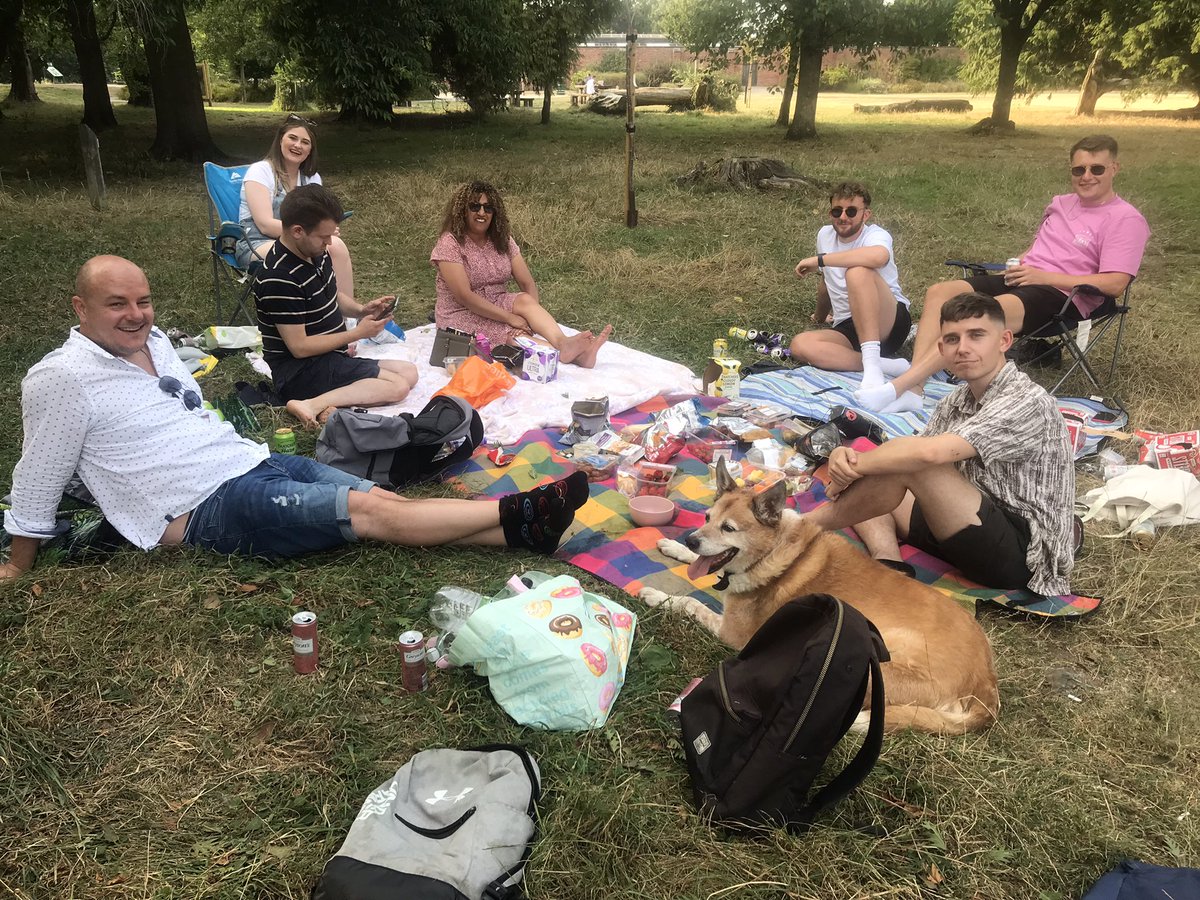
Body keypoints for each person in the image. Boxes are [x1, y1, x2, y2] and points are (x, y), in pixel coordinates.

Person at [0, 256, 590, 583]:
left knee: (383, 498)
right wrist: (16, 564)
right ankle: (522, 510)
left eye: (143, 301)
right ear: (80, 309)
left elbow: (184, 411)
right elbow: (37, 474)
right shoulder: (62, 379)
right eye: (117, 304)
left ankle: (523, 533)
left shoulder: (152, 342)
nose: (136, 315)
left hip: (248, 461)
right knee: (373, 513)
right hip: (203, 508)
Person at [806, 292, 1074, 597]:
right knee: (884, 460)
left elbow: (927, 455)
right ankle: (888, 559)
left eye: (976, 336)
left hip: (1022, 553)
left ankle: (799, 528)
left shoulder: (1027, 400)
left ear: (1004, 341)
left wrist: (853, 468)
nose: (963, 348)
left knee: (912, 463)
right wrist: (849, 457)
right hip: (963, 521)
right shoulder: (956, 399)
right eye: (952, 339)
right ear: (941, 348)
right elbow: (905, 453)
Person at [857, 134, 1150, 413]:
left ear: (1114, 168)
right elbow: (1042, 246)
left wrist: (1044, 277)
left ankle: (899, 387)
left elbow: (1115, 283)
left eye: (1096, 168)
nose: (1086, 176)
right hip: (1025, 277)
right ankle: (916, 391)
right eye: (1078, 169)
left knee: (981, 315)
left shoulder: (1125, 219)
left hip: (1063, 295)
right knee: (940, 292)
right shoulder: (1061, 203)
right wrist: (1021, 263)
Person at [254, 184, 418, 427]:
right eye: (323, 236)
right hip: (299, 372)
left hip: (328, 358)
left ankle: (327, 400)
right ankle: (310, 403)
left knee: (409, 372)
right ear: (298, 231)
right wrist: (356, 333)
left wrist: (362, 310)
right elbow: (299, 347)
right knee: (398, 387)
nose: (329, 242)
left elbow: (332, 295)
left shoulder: (314, 253)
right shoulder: (280, 277)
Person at [431, 180, 612, 368]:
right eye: (475, 206)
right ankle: (571, 356)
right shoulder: (449, 243)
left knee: (524, 300)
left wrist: (527, 322)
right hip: (460, 312)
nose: (482, 213)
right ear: (462, 210)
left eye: (488, 208)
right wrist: (510, 319)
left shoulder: (502, 240)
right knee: (507, 333)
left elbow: (527, 284)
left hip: (496, 301)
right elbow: (464, 296)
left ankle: (563, 343)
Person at [788, 181, 913, 390]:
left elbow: (878, 257)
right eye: (837, 211)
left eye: (851, 211)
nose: (843, 217)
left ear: (866, 214)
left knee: (857, 271)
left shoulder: (876, 235)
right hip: (849, 324)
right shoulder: (824, 235)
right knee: (800, 345)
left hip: (888, 321)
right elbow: (827, 280)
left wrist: (820, 259)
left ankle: (873, 367)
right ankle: (885, 365)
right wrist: (819, 316)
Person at [235, 114, 357, 302]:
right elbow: (265, 225)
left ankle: (347, 318)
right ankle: (313, 313)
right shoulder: (261, 171)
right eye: (292, 138)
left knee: (337, 246)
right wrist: (314, 233)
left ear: (310, 150)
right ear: (280, 140)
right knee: (305, 252)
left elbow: (319, 218)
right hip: (256, 243)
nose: (298, 145)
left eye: (305, 142)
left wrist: (325, 230)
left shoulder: (311, 179)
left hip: (302, 239)